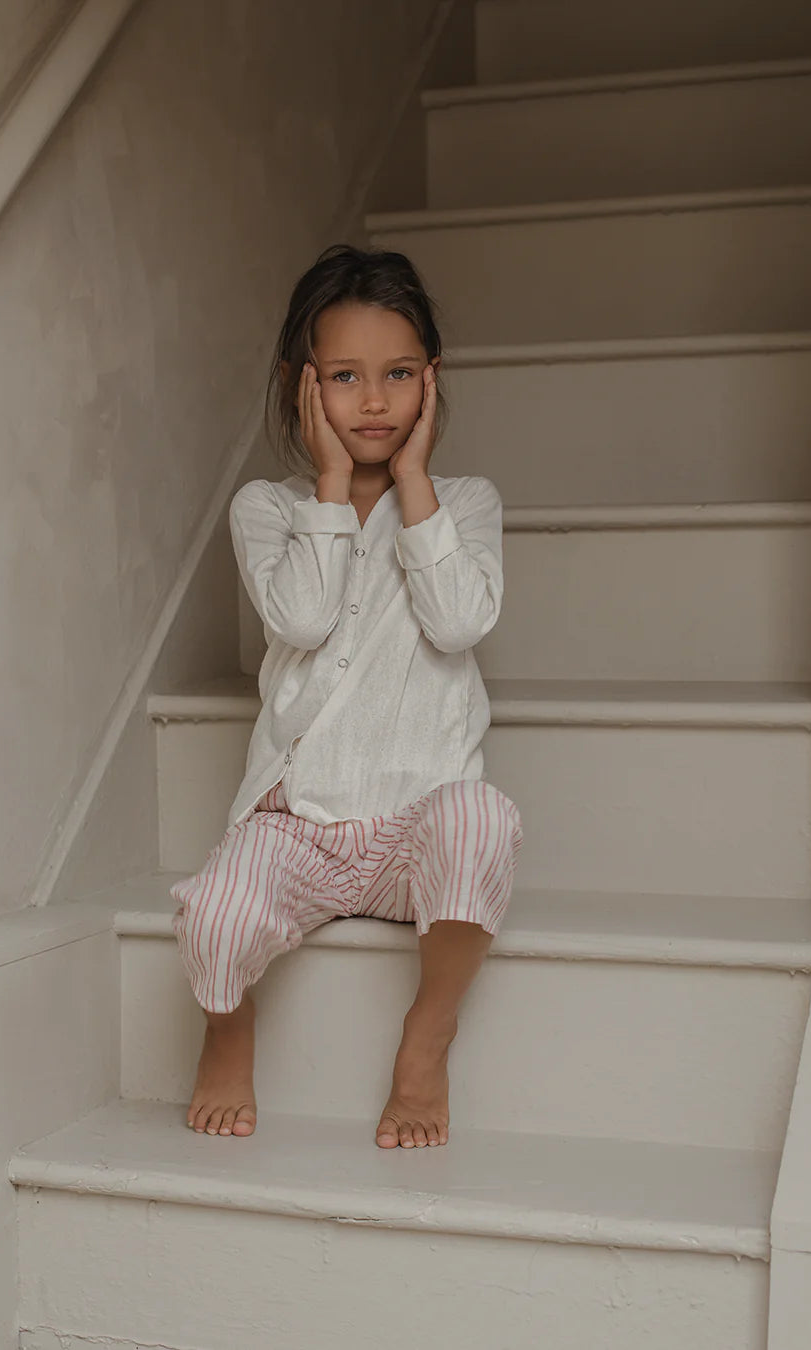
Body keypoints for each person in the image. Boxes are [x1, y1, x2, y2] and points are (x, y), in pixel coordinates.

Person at [170, 244, 522, 1149]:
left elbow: (458, 623)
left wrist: (412, 485)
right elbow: (302, 615)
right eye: (347, 377)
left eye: (399, 374)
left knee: (481, 821)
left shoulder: (465, 503)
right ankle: (227, 1027)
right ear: (305, 387)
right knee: (212, 912)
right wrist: (332, 486)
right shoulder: (267, 509)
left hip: (412, 831)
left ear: (430, 384)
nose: (374, 401)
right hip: (300, 823)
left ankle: (426, 1039)